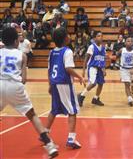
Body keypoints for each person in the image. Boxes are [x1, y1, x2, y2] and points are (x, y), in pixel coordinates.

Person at [0, 27, 58, 158]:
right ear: (16, 41)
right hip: (15, 86)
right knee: (32, 115)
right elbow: (24, 80)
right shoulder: (22, 55)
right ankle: (49, 146)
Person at [46, 27, 84, 149]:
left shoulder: (52, 52)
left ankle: (44, 134)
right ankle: (71, 139)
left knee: (54, 109)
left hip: (54, 83)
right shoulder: (67, 51)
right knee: (72, 110)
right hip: (64, 83)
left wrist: (50, 84)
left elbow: (49, 70)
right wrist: (79, 77)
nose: (69, 37)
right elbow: (68, 68)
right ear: (65, 39)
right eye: (68, 35)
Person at [77, 31, 106, 107]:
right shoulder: (92, 47)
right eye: (99, 36)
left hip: (100, 68)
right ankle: (81, 96)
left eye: (102, 36)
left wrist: (104, 69)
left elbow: (102, 59)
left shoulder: (103, 48)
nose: (100, 37)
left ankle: (95, 99)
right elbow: (86, 58)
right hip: (92, 67)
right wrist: (83, 70)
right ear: (95, 38)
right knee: (93, 83)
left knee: (101, 83)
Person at [117, 37, 133, 106]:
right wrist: (118, 63)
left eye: (131, 41)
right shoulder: (122, 50)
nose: (129, 42)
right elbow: (117, 56)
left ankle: (132, 92)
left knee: (132, 85)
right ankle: (129, 99)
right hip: (124, 69)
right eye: (128, 41)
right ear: (125, 42)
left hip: (132, 70)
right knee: (127, 84)